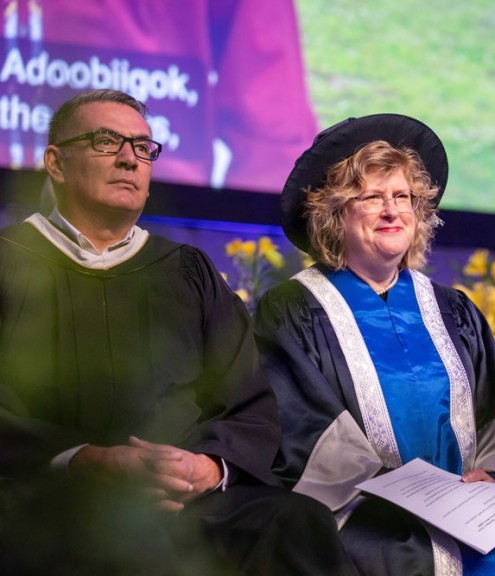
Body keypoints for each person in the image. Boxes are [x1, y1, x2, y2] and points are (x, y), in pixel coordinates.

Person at [0, 89, 356, 576]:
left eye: (143, 147)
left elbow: (245, 401)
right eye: (107, 141)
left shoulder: (187, 272)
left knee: (294, 524)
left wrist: (207, 469)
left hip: (185, 502)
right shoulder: (9, 262)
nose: (129, 158)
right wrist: (83, 460)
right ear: (56, 163)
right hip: (46, 490)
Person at [253, 113, 495, 575]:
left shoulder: (453, 312)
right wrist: (397, 491)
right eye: (372, 197)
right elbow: (301, 429)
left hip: (470, 508)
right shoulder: (295, 311)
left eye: (403, 197)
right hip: (365, 515)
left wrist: (491, 477)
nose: (392, 210)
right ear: (335, 213)